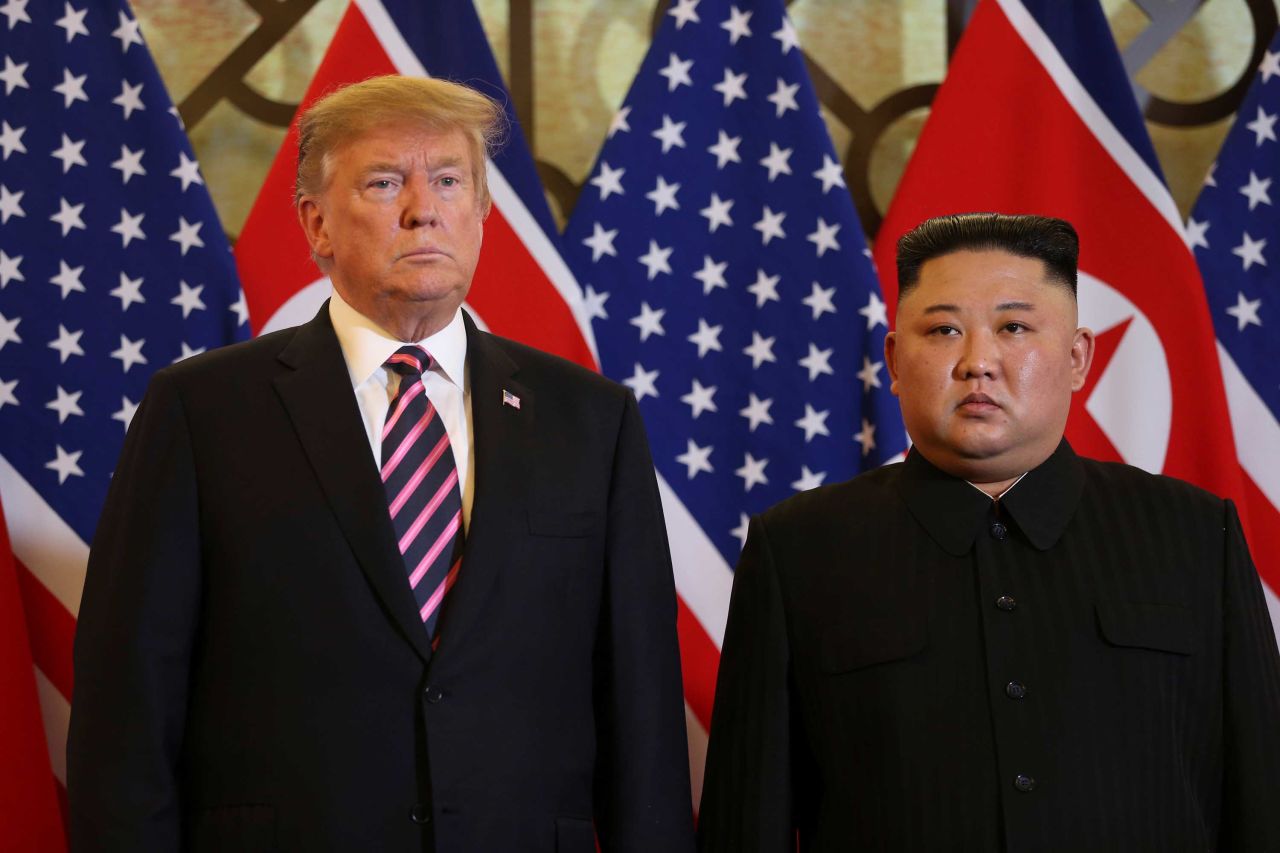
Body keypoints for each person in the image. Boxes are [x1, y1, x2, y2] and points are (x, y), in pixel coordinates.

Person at [67, 75, 695, 852]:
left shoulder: (592, 421)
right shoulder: (200, 412)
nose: (422, 208)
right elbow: (126, 709)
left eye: (449, 181)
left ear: (482, 215)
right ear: (317, 224)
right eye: (385, 181)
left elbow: (642, 715)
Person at [696, 212, 1280, 851]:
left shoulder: (1196, 534)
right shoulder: (799, 550)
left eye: (1015, 327)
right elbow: (746, 821)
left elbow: (1261, 799)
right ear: (894, 359)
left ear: (1079, 356)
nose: (978, 362)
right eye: (944, 329)